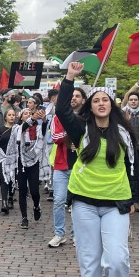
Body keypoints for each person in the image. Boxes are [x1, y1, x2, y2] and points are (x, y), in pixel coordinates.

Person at [56, 62, 136, 277]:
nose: (101, 103)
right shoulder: (81, 130)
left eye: (106, 100)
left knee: (116, 260)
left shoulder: (124, 132)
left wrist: (134, 199)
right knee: (89, 261)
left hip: (116, 204)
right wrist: (69, 78)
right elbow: (62, 109)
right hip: (84, 203)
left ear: (112, 105)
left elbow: (134, 168)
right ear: (90, 106)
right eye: (96, 100)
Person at [47, 86, 86, 247]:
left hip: (81, 166)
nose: (73, 98)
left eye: (77, 96)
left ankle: (77, 235)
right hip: (61, 166)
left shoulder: (87, 117)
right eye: (71, 95)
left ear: (83, 99)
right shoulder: (59, 117)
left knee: (77, 203)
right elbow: (56, 137)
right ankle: (59, 233)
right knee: (59, 200)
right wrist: (71, 133)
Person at [2, 105, 46, 229]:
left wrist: (44, 120)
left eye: (29, 113)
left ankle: (36, 206)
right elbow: (24, 127)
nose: (28, 115)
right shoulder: (17, 128)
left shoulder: (37, 128)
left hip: (34, 162)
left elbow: (44, 133)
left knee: (35, 192)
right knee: (22, 191)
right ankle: (24, 218)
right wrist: (32, 118)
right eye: (25, 114)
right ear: (21, 117)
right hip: (20, 163)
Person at [122, 88, 139, 211]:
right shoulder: (122, 113)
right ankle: (127, 199)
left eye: (135, 100)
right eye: (131, 100)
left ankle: (136, 201)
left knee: (138, 176)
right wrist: (125, 122)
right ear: (128, 101)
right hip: (126, 149)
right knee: (127, 174)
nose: (133, 102)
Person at [0, 108, 18, 214]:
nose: (12, 116)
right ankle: (4, 203)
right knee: (3, 179)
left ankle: (10, 197)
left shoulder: (18, 129)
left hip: (14, 158)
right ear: (5, 117)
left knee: (12, 179)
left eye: (13, 115)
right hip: (2, 157)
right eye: (9, 115)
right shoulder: (0, 129)